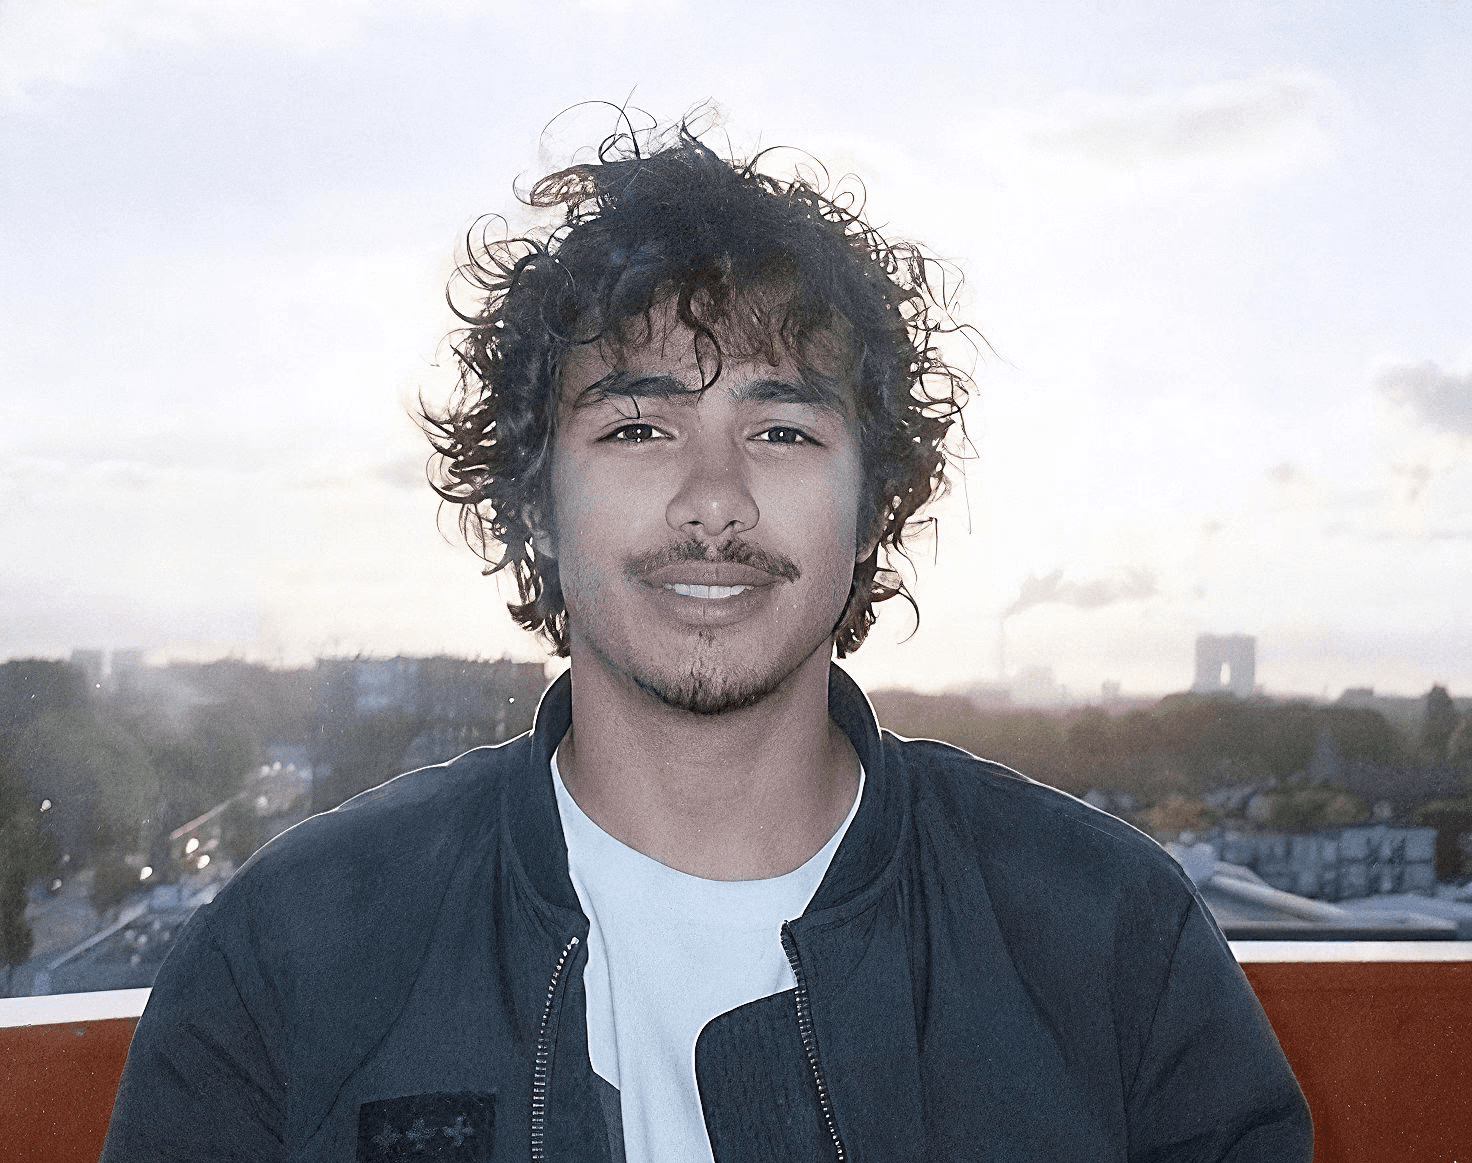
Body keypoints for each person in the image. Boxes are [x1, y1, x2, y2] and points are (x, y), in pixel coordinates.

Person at [101, 118, 1311, 1162]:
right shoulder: (291, 949)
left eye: (783, 431)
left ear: (872, 505)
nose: (713, 500)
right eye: (637, 428)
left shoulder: (1109, 937)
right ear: (534, 502)